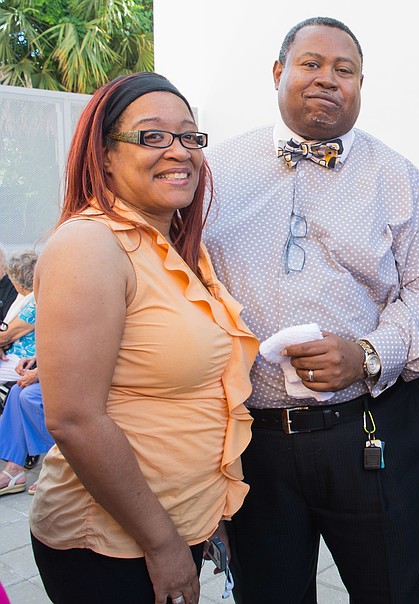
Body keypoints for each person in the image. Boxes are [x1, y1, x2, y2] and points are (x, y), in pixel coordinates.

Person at [204, 16, 419, 603]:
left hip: (369, 433)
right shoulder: (213, 175)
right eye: (311, 64)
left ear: (361, 84)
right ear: (278, 72)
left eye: (345, 70)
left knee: (394, 591)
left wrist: (366, 355)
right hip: (252, 442)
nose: (327, 79)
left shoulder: (399, 178)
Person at [29, 72, 258, 604]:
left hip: (175, 527)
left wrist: (207, 516)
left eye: (189, 136)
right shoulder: (90, 246)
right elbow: (74, 418)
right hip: (112, 546)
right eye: (153, 136)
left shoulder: (173, 245)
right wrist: (163, 544)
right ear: (105, 155)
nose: (179, 151)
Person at [0, 356, 48, 496]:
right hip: (56, 365)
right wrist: (36, 359)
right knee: (17, 391)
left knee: (29, 396)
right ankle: (13, 469)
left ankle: (55, 465)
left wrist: (41, 371)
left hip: (82, 371)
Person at [0, 251, 37, 382]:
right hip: (13, 356)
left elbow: (6, 336)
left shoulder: (34, 304)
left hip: (23, 361)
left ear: (18, 284)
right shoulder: (25, 299)